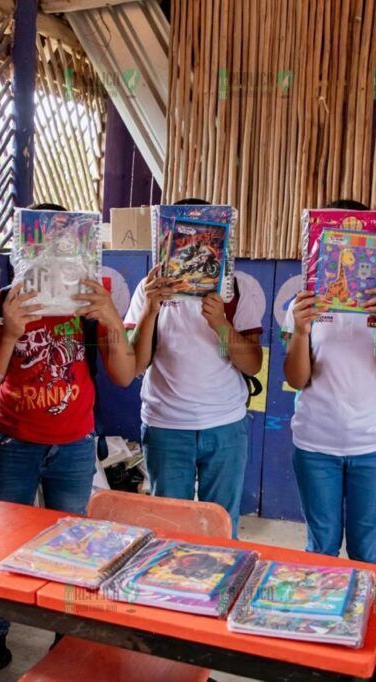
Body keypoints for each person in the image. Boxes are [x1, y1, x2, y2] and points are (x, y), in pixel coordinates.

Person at [0, 203, 135, 682]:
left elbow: (123, 375)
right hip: (14, 441)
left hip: (74, 444)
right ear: (24, 250)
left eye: (66, 247)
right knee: (3, 547)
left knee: (72, 550)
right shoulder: (2, 301)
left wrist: (112, 318)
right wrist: (11, 331)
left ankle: (65, 642)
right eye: (43, 247)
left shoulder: (92, 300)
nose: (55, 257)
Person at [281, 199, 376, 565]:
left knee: (365, 551)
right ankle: (319, 622)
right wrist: (300, 329)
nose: (345, 252)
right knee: (321, 548)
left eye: (356, 242)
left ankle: (369, 622)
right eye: (334, 242)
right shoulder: (305, 300)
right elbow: (297, 379)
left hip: (373, 446)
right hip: (315, 445)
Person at [123, 198, 263, 537]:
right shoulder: (150, 287)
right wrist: (150, 312)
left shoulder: (239, 288)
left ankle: (220, 588)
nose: (193, 249)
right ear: (166, 241)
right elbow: (135, 364)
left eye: (205, 240)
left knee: (221, 525)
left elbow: (254, 365)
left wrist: (220, 324)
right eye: (182, 240)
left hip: (225, 424)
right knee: (169, 528)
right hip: (165, 425)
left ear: (220, 242)